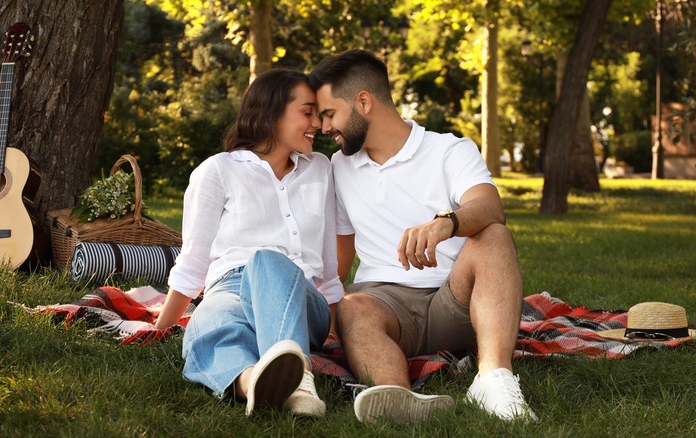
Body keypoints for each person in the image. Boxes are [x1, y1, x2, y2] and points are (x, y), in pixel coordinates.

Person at [307, 49, 538, 423]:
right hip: (385, 305)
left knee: (494, 235)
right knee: (353, 305)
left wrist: (445, 222)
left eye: (330, 114)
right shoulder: (339, 165)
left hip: (455, 300)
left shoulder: (449, 150)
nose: (324, 127)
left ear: (363, 102)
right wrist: (320, 310)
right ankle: (397, 397)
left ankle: (494, 379)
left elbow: (491, 208)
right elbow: (340, 256)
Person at [154, 68, 343, 418]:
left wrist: (334, 333)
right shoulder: (218, 170)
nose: (317, 122)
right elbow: (194, 260)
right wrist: (163, 328)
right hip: (230, 287)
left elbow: (329, 270)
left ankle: (297, 378)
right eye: (307, 112)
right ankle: (252, 381)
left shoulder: (321, 169)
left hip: (299, 298)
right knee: (208, 321)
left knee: (267, 260)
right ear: (271, 113)